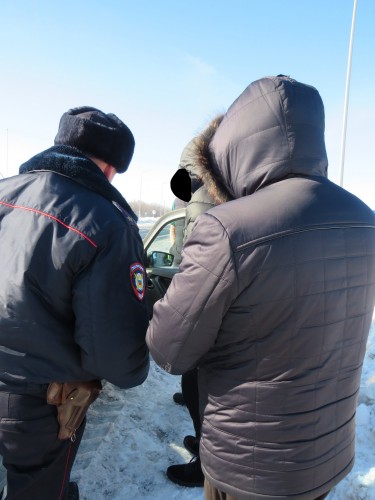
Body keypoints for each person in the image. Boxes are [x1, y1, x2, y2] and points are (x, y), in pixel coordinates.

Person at [146, 75, 375, 499]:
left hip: (250, 468)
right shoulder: (364, 220)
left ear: (233, 149)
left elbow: (168, 350)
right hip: (327, 453)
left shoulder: (227, 230)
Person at [0, 106, 149, 500]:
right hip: (37, 405)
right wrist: (135, 369)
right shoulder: (107, 224)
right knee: (38, 487)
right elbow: (113, 349)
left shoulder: (3, 191)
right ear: (111, 168)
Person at [167, 116, 226, 488]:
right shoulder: (222, 187)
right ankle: (206, 445)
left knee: (198, 384)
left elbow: (196, 256)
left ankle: (207, 459)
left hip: (209, 304)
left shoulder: (202, 196)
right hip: (225, 305)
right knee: (201, 384)